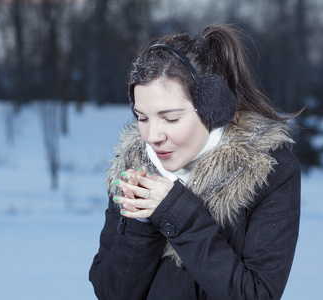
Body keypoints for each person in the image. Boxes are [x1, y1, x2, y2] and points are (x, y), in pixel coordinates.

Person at [89, 24, 301, 299]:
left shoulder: (268, 171)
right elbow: (111, 293)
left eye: (171, 119)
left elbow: (255, 295)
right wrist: (141, 224)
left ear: (213, 107)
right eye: (142, 117)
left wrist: (176, 211)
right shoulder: (132, 167)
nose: (152, 136)